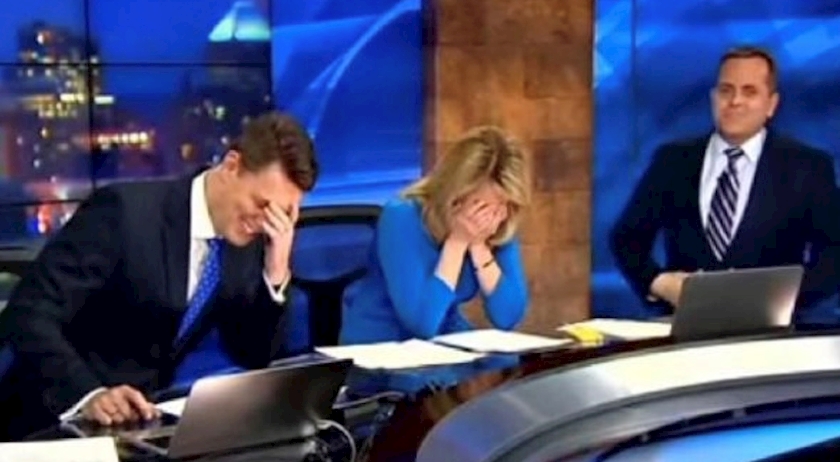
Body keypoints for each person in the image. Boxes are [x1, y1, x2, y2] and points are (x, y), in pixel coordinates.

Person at [0, 111, 318, 440]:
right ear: (231, 166)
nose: (265, 221)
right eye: (261, 203)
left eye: (281, 213)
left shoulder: (246, 240)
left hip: (136, 425)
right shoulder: (125, 213)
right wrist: (89, 395)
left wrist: (276, 270)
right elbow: (28, 313)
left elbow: (252, 353)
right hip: (48, 418)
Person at [610, 46, 840, 314]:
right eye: (726, 90)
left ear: (771, 104)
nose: (735, 101)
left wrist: (784, 297)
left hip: (773, 330)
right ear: (713, 98)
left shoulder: (807, 167)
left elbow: (834, 253)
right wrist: (659, 283)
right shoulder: (673, 161)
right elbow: (627, 238)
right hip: (684, 328)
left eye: (749, 91)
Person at [340, 126, 530, 344]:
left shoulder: (498, 221)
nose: (489, 217)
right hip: (382, 344)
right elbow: (422, 323)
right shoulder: (402, 216)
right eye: (481, 206)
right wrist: (457, 242)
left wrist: (479, 246)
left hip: (446, 342)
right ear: (455, 195)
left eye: (501, 205)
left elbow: (507, 318)